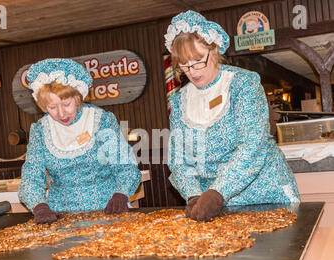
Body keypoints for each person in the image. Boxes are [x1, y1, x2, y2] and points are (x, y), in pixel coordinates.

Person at [164, 11, 300, 222]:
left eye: (198, 60)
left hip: (264, 196)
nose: (192, 71)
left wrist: (218, 192)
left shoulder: (242, 84)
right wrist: (192, 194)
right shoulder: (179, 101)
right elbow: (179, 158)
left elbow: (253, 145)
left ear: (214, 50)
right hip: (212, 204)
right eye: (184, 65)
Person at [18, 58, 141, 224]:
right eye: (52, 108)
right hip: (60, 215)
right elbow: (32, 175)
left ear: (77, 97)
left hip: (108, 209)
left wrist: (121, 194)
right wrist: (39, 205)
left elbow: (125, 165)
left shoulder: (100, 120)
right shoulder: (40, 130)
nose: (61, 113)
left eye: (66, 104)